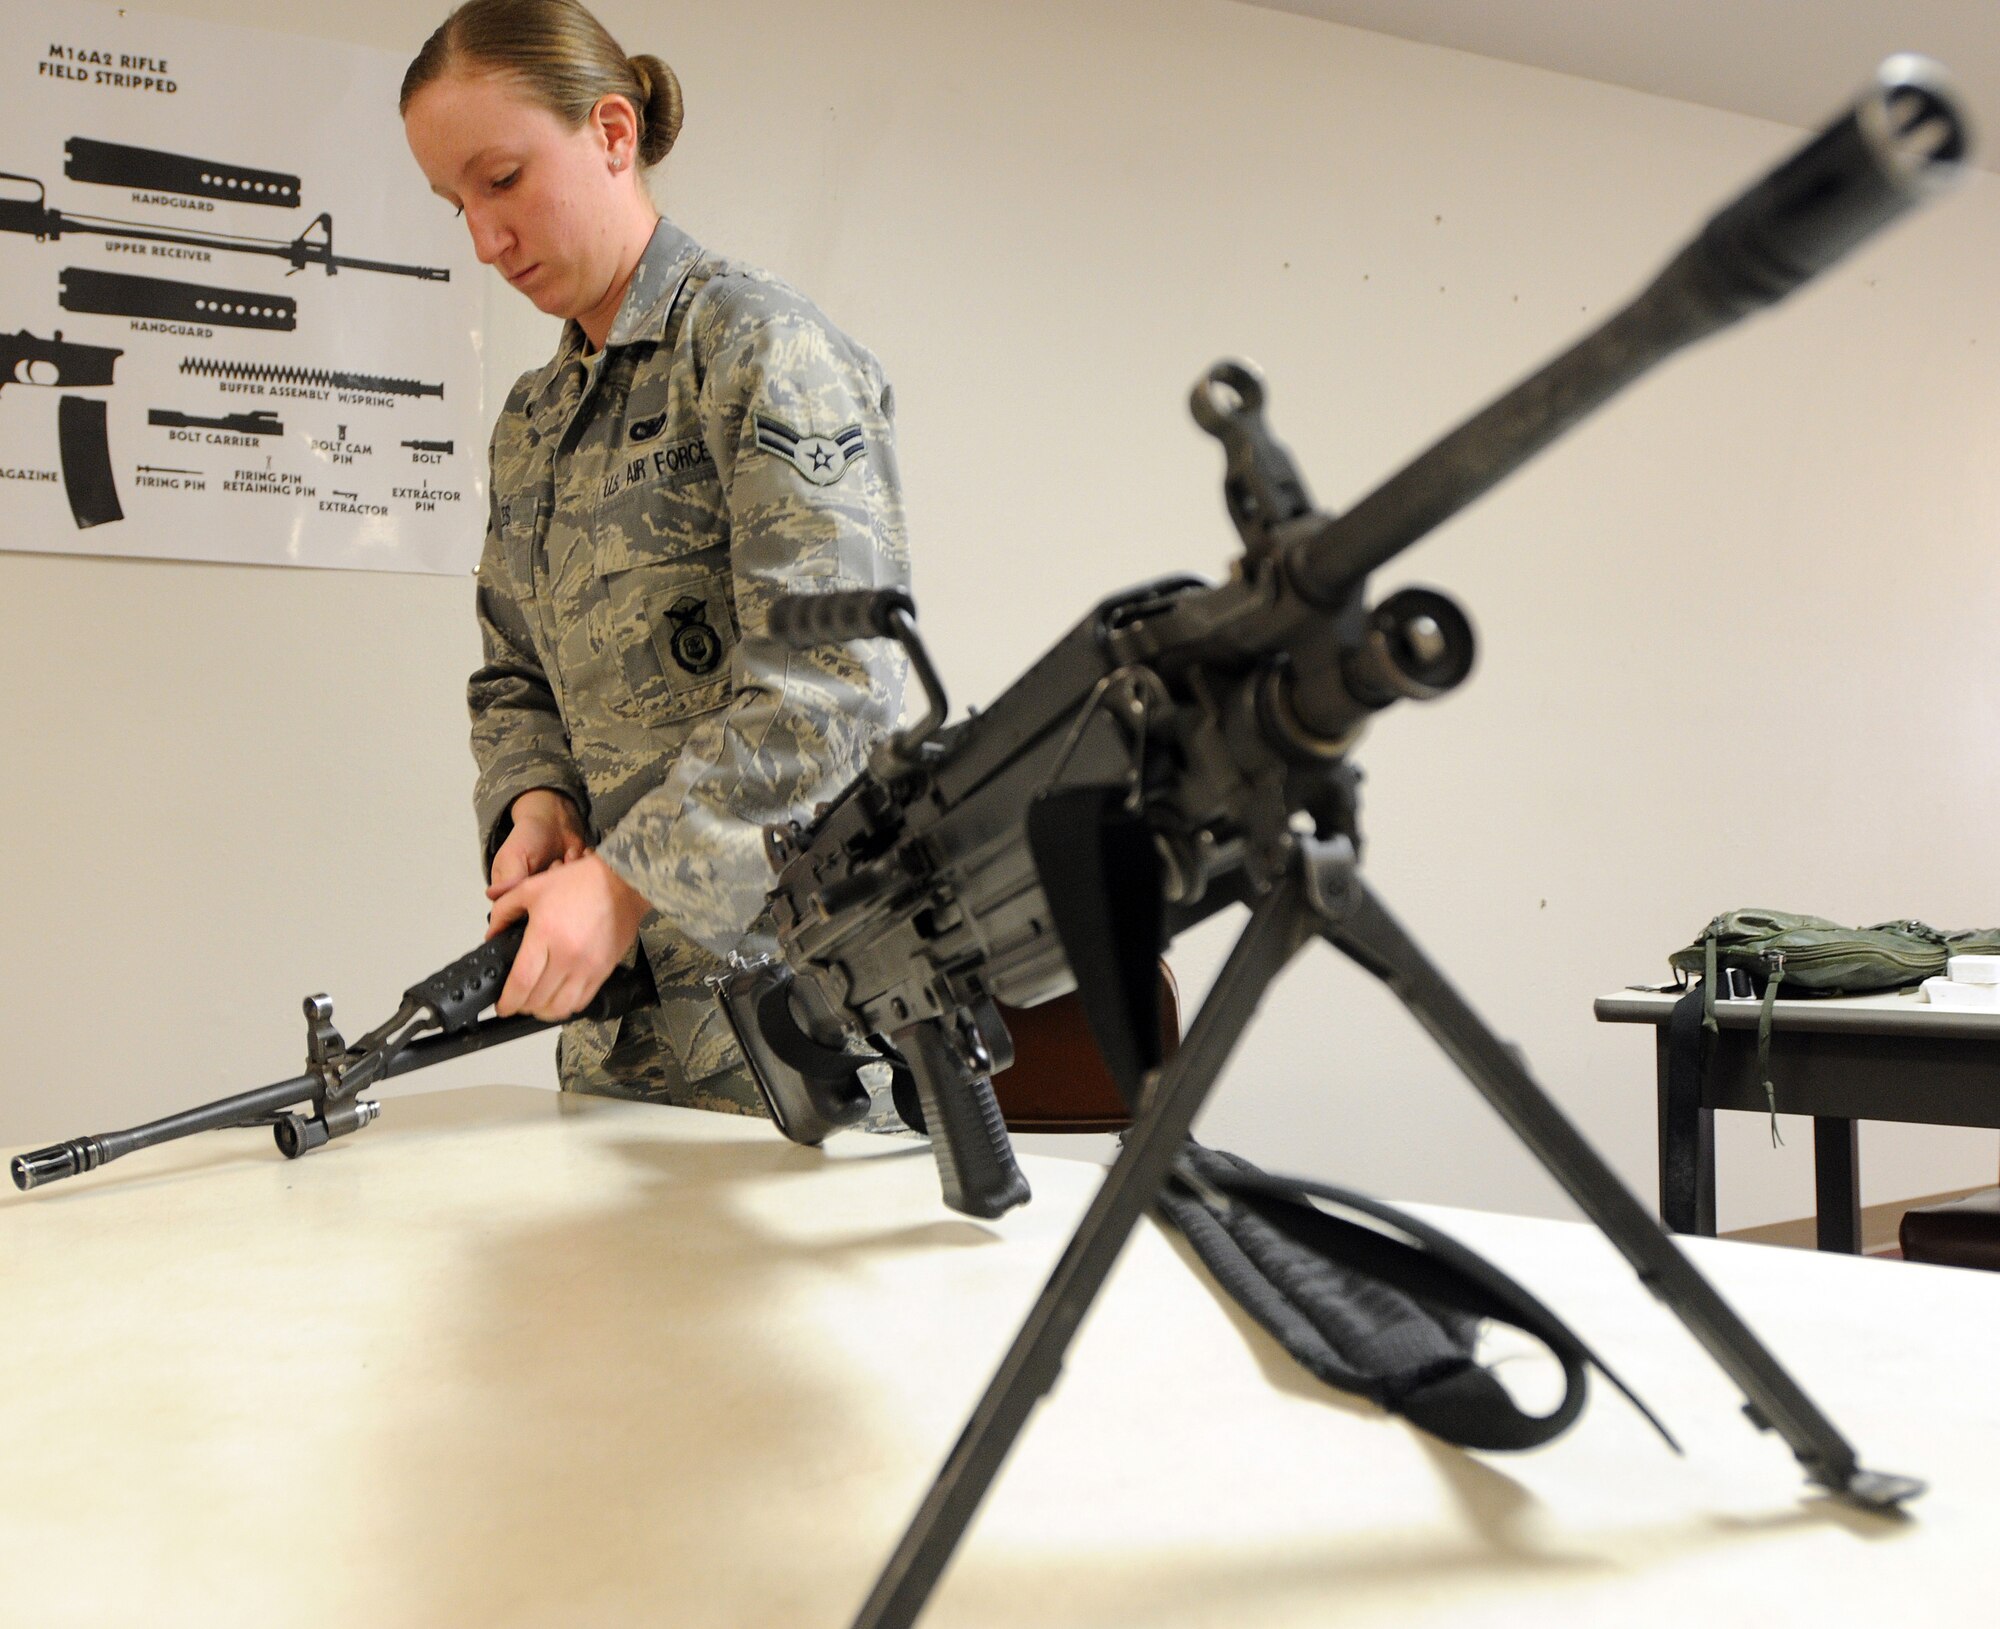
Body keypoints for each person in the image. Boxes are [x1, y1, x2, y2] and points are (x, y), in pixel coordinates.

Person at [401, 0, 910, 1113]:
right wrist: (529, 798)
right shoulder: (533, 420)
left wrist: (626, 885)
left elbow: (834, 687)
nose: (486, 241)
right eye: (457, 207)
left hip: (804, 1036)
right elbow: (513, 674)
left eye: (502, 180)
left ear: (612, 134)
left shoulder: (759, 349)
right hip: (618, 1049)